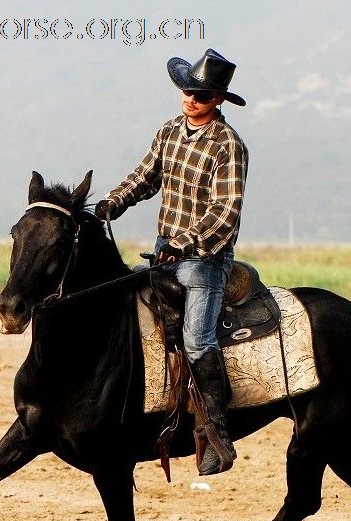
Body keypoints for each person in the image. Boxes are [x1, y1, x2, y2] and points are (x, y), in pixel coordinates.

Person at [95, 49, 248, 475]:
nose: (191, 99)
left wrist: (184, 241)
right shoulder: (168, 132)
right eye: (187, 91)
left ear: (218, 99)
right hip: (165, 250)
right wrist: (114, 201)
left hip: (204, 259)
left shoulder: (228, 145)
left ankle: (218, 437)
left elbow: (225, 210)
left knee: (199, 341)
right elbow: (145, 176)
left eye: (201, 95)